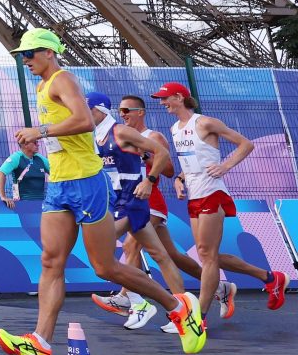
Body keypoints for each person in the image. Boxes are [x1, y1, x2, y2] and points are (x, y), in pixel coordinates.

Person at [0, 30, 206, 355]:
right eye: (22, 55)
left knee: (105, 266)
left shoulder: (62, 79)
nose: (26, 60)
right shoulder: (42, 85)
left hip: (86, 183)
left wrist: (41, 131)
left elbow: (81, 121)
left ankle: (178, 306)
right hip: (60, 183)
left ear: (49, 52)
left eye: (30, 53)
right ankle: (41, 343)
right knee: (50, 261)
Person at [93, 95, 262, 327]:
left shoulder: (152, 136)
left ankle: (128, 298)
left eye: (126, 110)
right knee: (169, 256)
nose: (122, 114)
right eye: (120, 111)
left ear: (140, 112)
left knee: (130, 245)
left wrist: (148, 166)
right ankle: (216, 289)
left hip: (149, 200)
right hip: (125, 199)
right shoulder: (106, 136)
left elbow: (169, 169)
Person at [156, 81, 287, 315]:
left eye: (165, 98)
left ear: (179, 97)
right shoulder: (175, 128)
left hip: (212, 192)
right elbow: (193, 161)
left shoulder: (205, 122)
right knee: (209, 255)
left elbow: (246, 144)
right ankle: (269, 278)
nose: (163, 103)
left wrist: (226, 165)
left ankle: (200, 315)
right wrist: (179, 178)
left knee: (206, 256)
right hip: (194, 194)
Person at [85, 93, 187, 330]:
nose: (124, 115)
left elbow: (163, 155)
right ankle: (185, 310)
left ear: (100, 109)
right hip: (117, 202)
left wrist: (149, 181)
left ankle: (137, 301)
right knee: (161, 255)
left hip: (132, 201)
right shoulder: (95, 137)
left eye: (87, 108)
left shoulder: (121, 132)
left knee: (103, 254)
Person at [0, 140, 49, 206]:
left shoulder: (40, 158)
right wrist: (3, 197)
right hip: (22, 204)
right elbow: (0, 173)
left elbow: (55, 173)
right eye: (35, 142)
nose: (38, 145)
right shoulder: (16, 157)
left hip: (41, 204)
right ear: (25, 145)